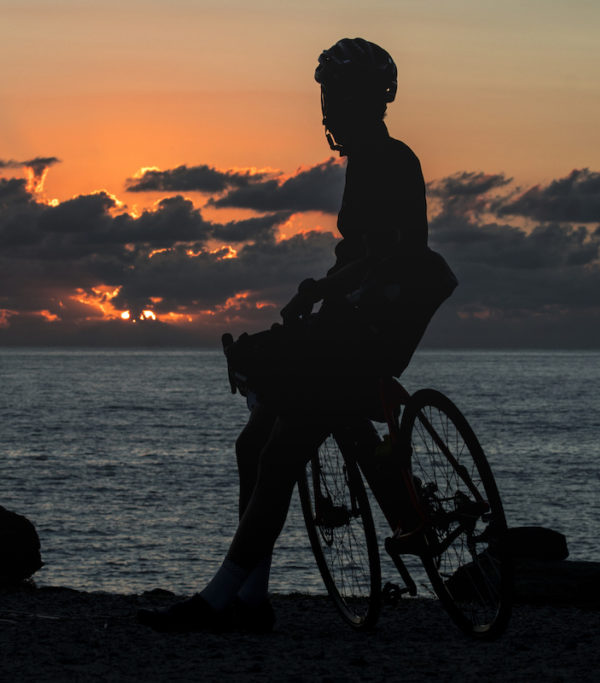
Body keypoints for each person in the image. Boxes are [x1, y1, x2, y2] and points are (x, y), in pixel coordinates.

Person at [137, 37, 457, 633]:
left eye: (334, 95)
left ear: (358, 100)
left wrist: (324, 289)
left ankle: (219, 600)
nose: (328, 107)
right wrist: (321, 289)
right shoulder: (368, 159)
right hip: (349, 323)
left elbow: (387, 255)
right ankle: (252, 599)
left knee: (281, 452)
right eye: (327, 95)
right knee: (253, 444)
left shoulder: (387, 160)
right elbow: (361, 257)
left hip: (370, 332)